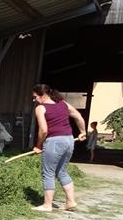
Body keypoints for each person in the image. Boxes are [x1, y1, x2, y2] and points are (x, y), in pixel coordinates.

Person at [31, 83, 86, 212]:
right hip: (68, 140)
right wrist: (83, 131)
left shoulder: (41, 108)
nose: (34, 100)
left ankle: (47, 205)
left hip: (54, 142)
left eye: (35, 97)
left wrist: (38, 146)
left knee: (48, 173)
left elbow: (43, 130)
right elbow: (78, 116)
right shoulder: (63, 103)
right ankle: (71, 202)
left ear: (43, 95)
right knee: (61, 171)